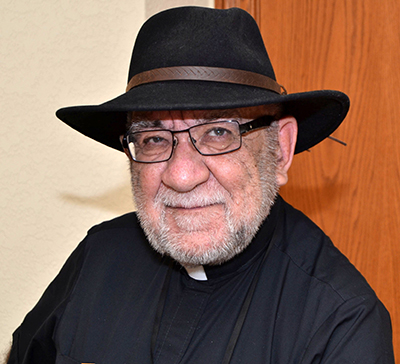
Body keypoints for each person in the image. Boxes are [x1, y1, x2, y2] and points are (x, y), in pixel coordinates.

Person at [6, 6, 394, 364]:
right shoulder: (100, 255)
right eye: (154, 138)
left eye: (218, 133)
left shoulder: (340, 320)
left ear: (280, 150)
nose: (182, 175)